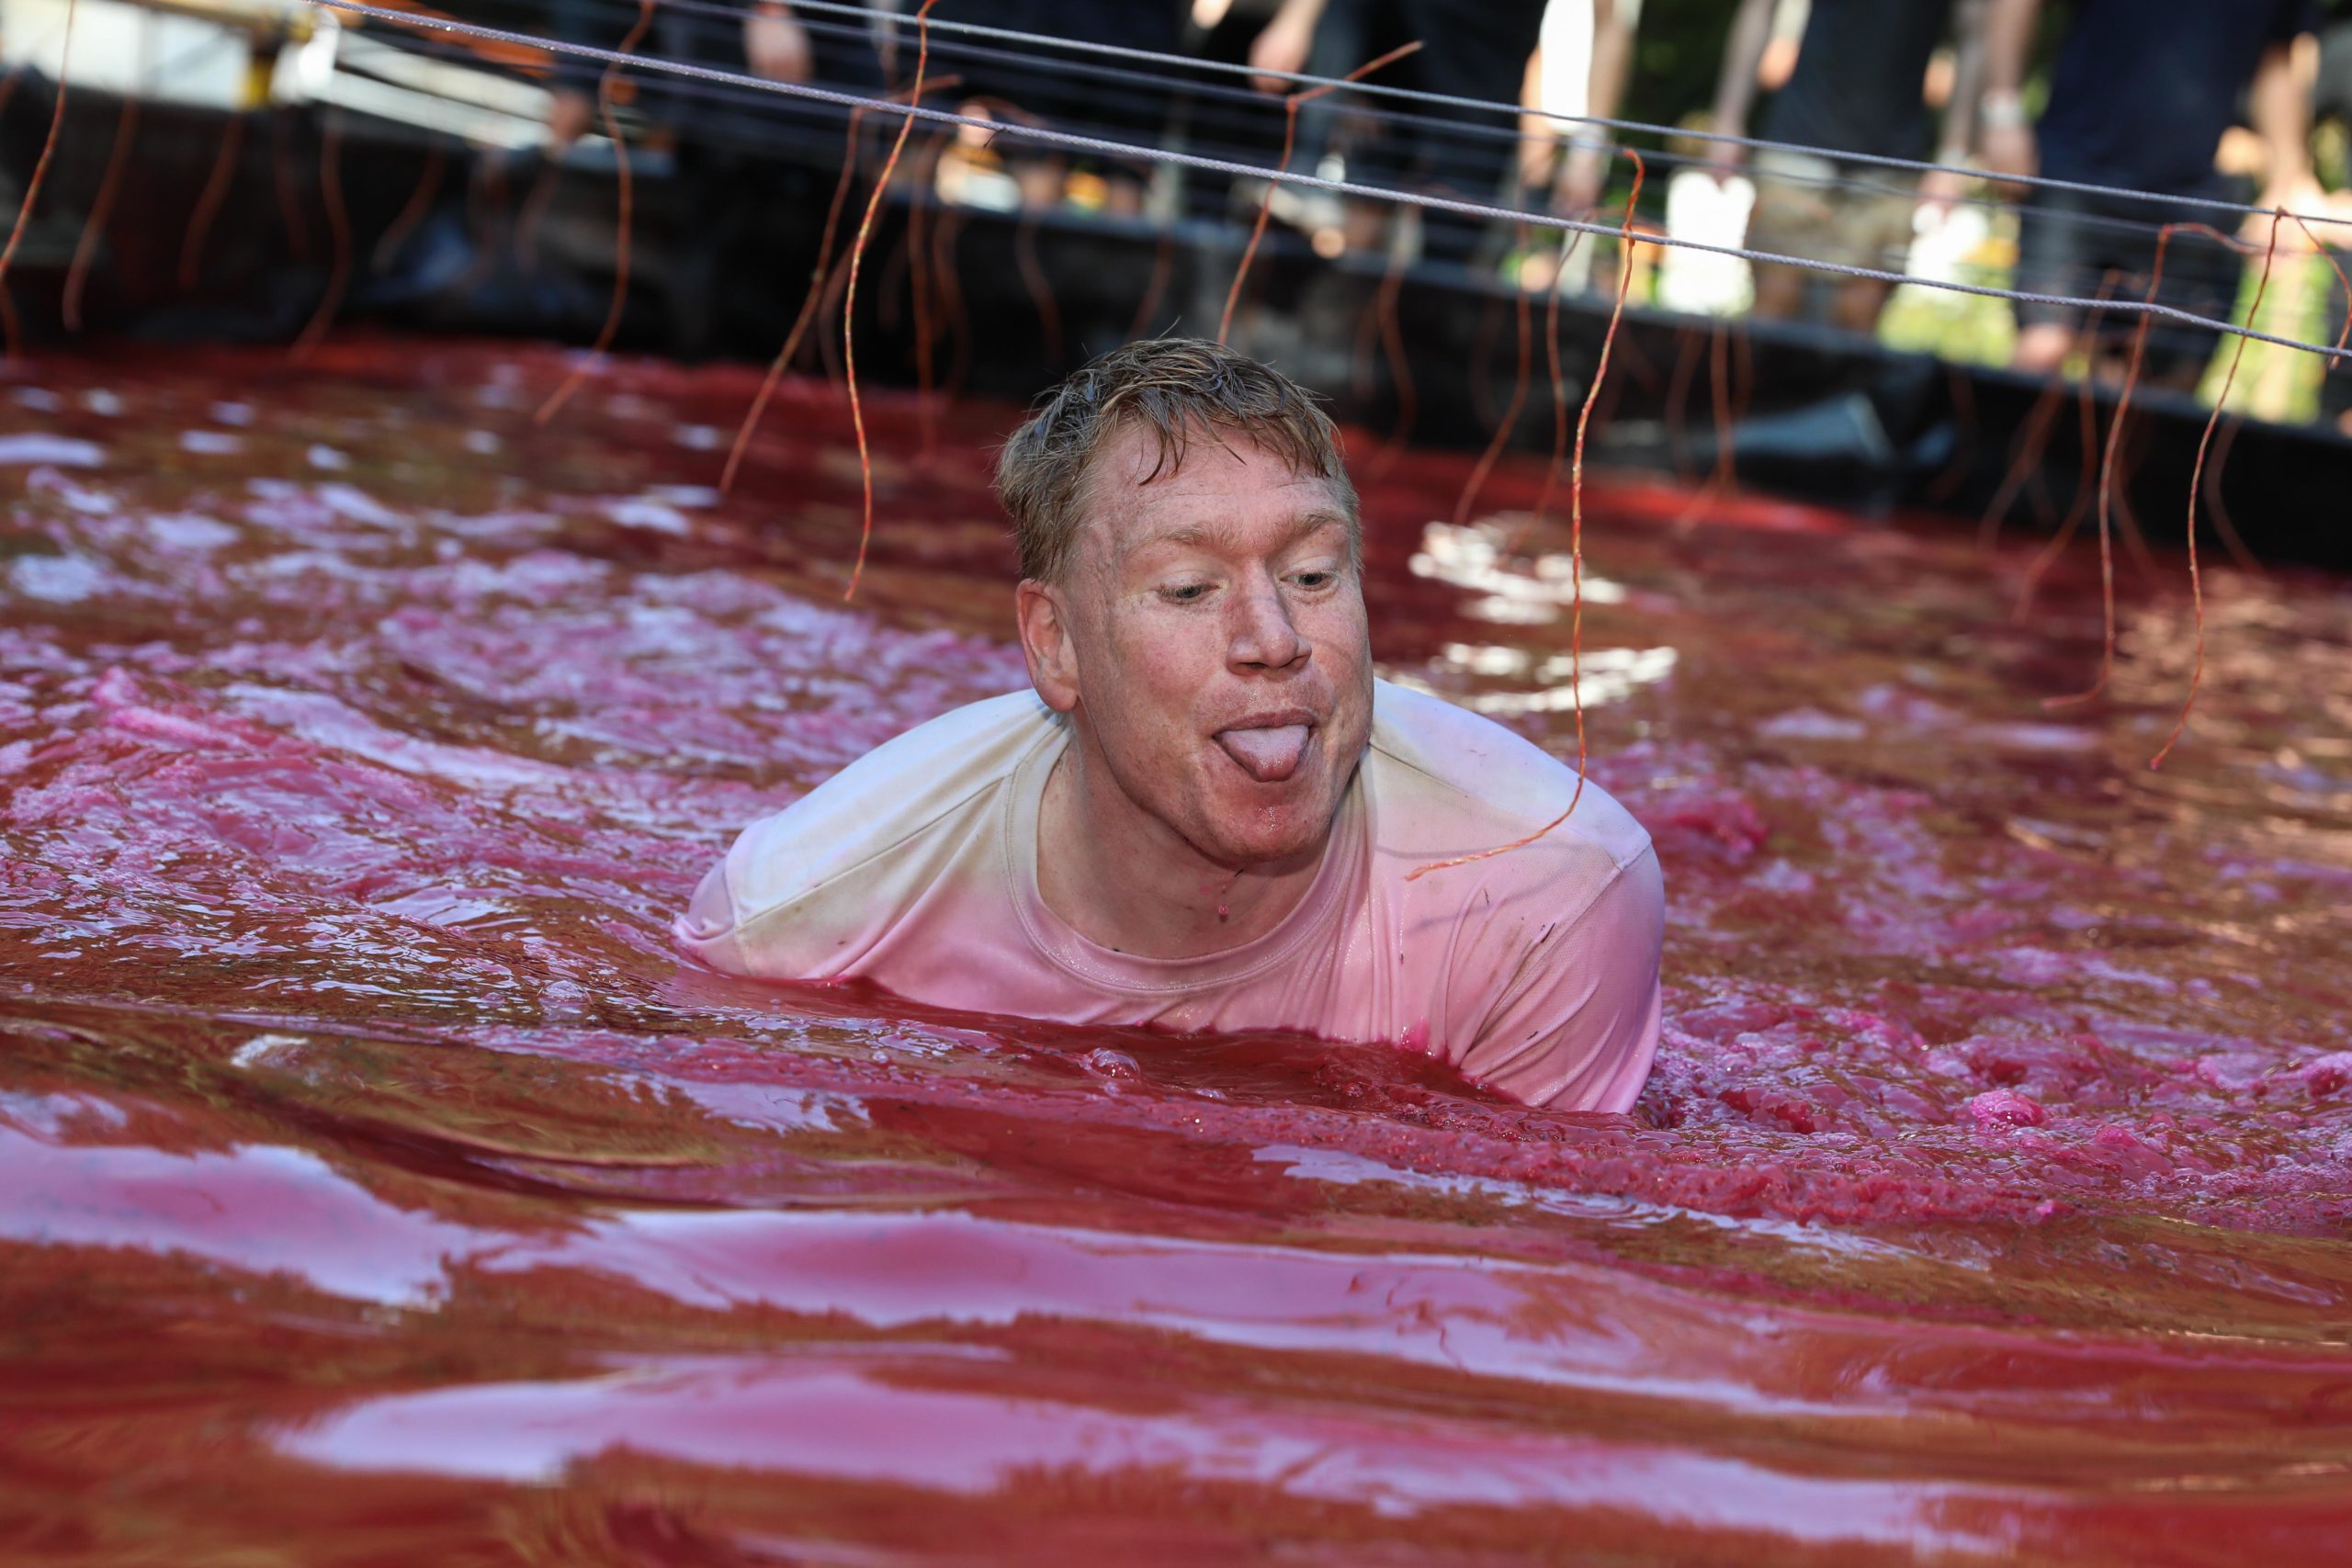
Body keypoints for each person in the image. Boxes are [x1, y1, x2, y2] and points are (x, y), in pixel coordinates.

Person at [677, 339, 1664, 1111]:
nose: (1273, 640)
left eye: (1313, 576)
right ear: (1055, 646)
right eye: (1189, 589)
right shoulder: (800, 915)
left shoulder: (1550, 889)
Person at [1981, 0, 2322, 386]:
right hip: (2075, 170)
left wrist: (2286, 180)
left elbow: (2277, 61)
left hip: (2196, 196)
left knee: (2161, 394)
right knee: (2041, 351)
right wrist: (2002, 112)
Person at [1708, 0, 1987, 332]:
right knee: (1773, 311)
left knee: (1857, 319)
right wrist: (1726, 120)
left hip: (1893, 162)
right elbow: (1760, 9)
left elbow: (1976, 34)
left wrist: (1952, 159)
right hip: (1795, 148)